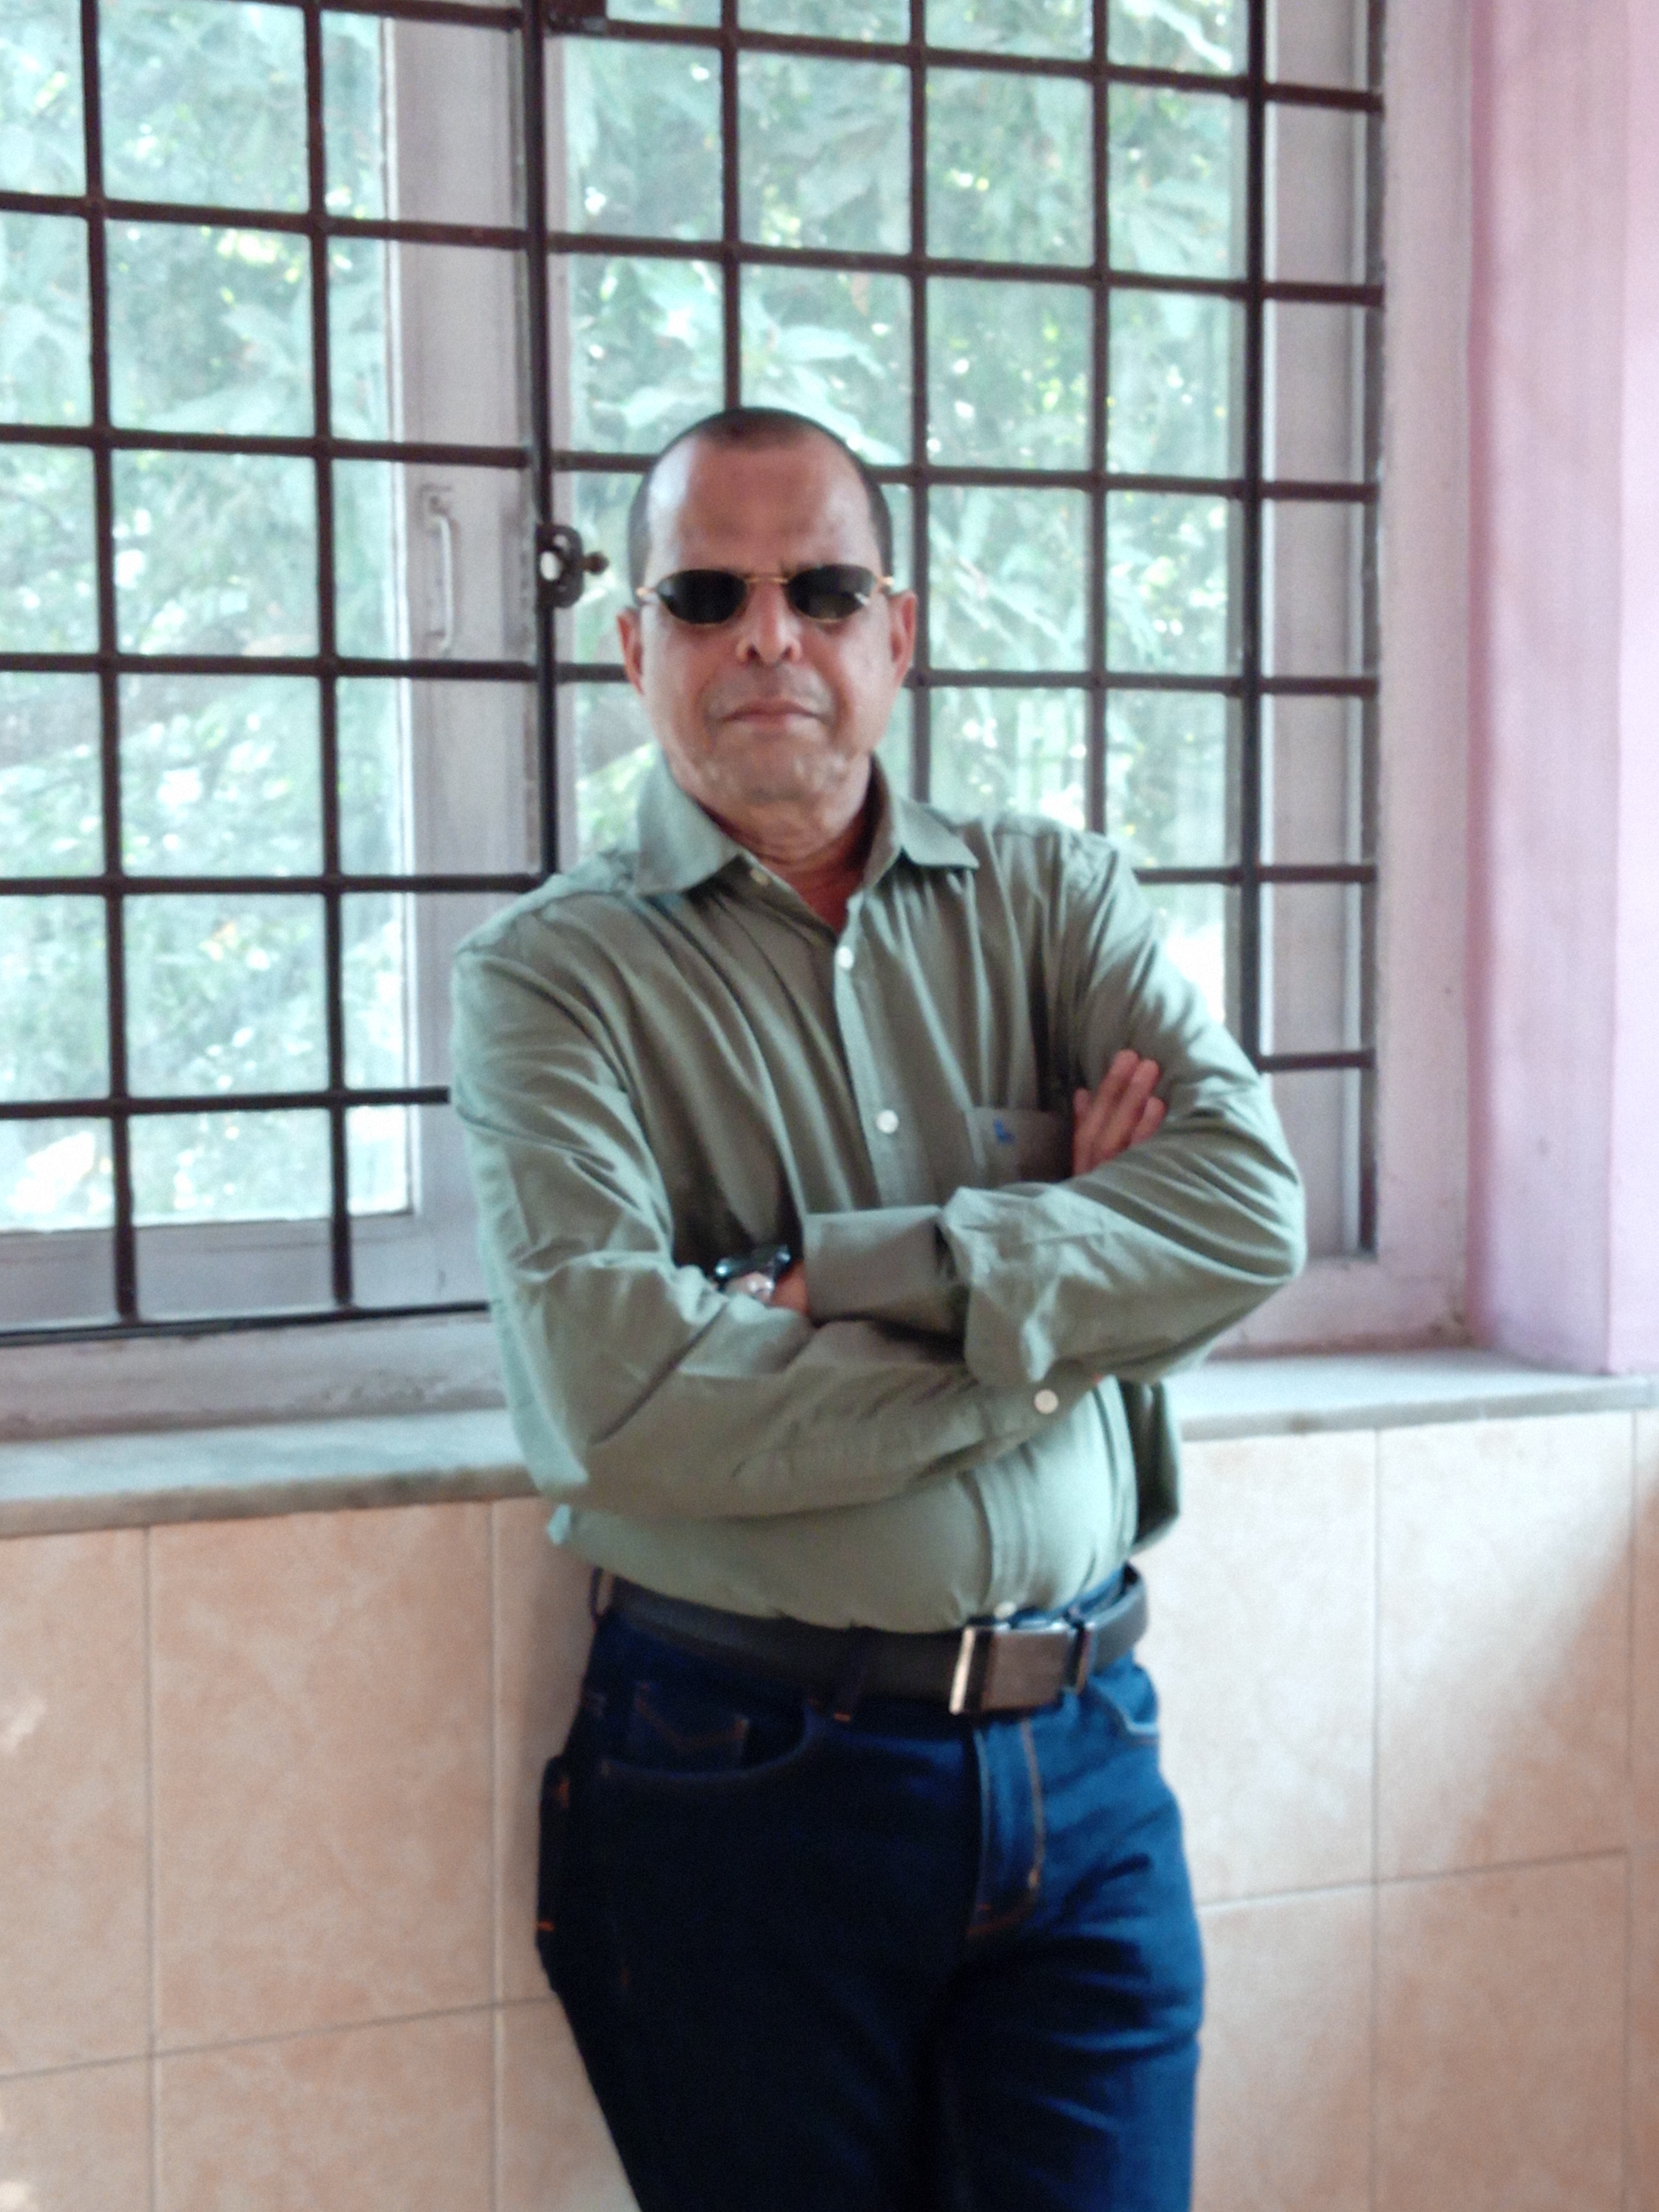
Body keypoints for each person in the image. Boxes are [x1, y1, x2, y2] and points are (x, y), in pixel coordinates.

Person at [450, 406, 1305, 2212]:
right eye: (709, 595)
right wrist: (1057, 1301)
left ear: (896, 633)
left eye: (822, 589)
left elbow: (1244, 1215)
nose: (770, 635)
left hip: (1089, 1769)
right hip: (745, 1784)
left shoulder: (1057, 902)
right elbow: (624, 1410)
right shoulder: (552, 984)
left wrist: (843, 1277)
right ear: (635, 647)